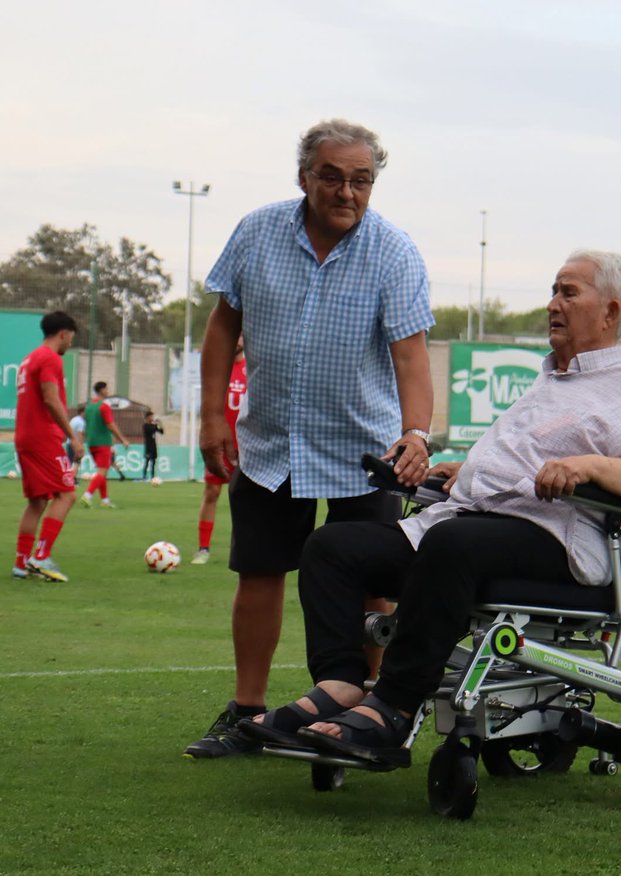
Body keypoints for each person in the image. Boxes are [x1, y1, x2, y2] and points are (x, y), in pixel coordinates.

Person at [238, 250, 621, 764]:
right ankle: (340, 684)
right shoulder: (551, 380)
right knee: (331, 548)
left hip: (555, 537)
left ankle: (393, 706)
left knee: (451, 544)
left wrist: (589, 466)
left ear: (610, 312)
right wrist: (468, 470)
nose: (553, 304)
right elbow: (520, 455)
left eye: (569, 293)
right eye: (553, 291)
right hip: (469, 525)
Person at [185, 118, 435, 759]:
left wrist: (415, 435)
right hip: (271, 442)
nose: (346, 192)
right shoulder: (257, 231)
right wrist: (211, 415)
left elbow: (411, 356)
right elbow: (223, 326)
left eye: (361, 180)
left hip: (364, 450)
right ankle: (247, 710)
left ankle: (367, 712)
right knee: (260, 571)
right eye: (332, 177)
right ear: (304, 177)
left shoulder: (394, 251)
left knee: (373, 583)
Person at [13, 312, 82, 583]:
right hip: (43, 438)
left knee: (37, 502)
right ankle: (41, 557)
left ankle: (21, 564)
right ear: (63, 334)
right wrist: (73, 437)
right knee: (66, 495)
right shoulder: (50, 358)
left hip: (25, 436)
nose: (70, 344)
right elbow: (51, 399)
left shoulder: (29, 358)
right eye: (70, 338)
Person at [192, 342, 246, 565]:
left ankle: (246, 549)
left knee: (246, 498)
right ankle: (203, 549)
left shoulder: (252, 367)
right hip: (221, 444)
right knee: (212, 492)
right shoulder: (219, 368)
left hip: (247, 445)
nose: (237, 339)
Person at [80, 381, 130, 509]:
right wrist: (122, 439)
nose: (108, 391)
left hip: (91, 443)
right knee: (102, 471)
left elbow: (86, 425)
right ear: (102, 390)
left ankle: (105, 500)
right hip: (103, 442)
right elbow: (111, 425)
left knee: (103, 472)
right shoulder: (104, 406)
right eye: (106, 389)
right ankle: (87, 495)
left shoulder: (89, 407)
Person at [140, 413, 164, 480]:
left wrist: (160, 424)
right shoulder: (145, 426)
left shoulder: (153, 425)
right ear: (147, 417)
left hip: (154, 446)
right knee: (147, 462)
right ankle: (144, 476)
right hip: (148, 446)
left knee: (153, 462)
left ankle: (152, 477)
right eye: (151, 416)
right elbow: (150, 430)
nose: (152, 418)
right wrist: (155, 424)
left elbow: (161, 432)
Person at [65, 404, 86, 480]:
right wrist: (80, 446)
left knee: (69, 462)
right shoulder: (81, 422)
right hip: (75, 444)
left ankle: (67, 477)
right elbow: (80, 434)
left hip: (69, 442)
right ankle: (74, 478)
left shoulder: (74, 419)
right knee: (77, 461)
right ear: (82, 412)